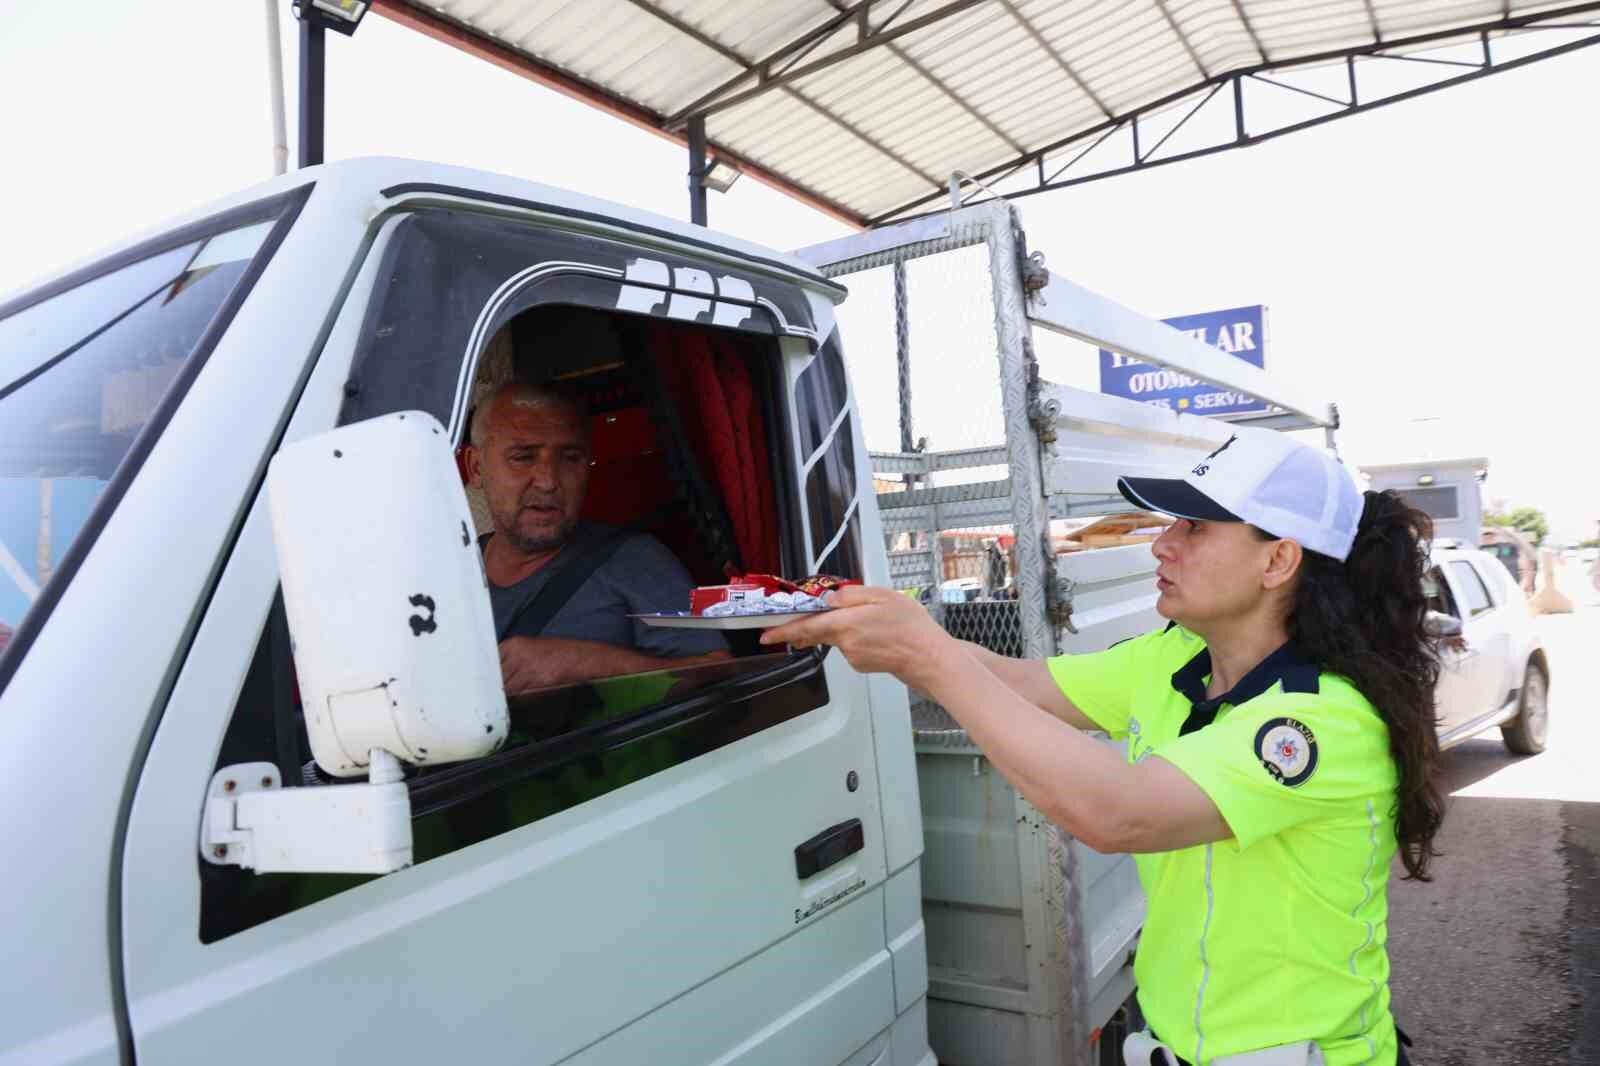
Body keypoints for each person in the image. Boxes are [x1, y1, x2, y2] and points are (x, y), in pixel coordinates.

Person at [764, 428, 1439, 1066]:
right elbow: (1024, 684)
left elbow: (1121, 813)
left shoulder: (1323, 721)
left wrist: (931, 656)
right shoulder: (1178, 657)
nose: (1161, 545)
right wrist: (883, 627)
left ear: (1279, 559)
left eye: (1194, 527)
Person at [462, 381, 729, 694]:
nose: (548, 482)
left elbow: (720, 676)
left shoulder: (635, 561)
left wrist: (587, 664)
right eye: (523, 457)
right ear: (476, 467)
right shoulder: (448, 576)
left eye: (570, 458)